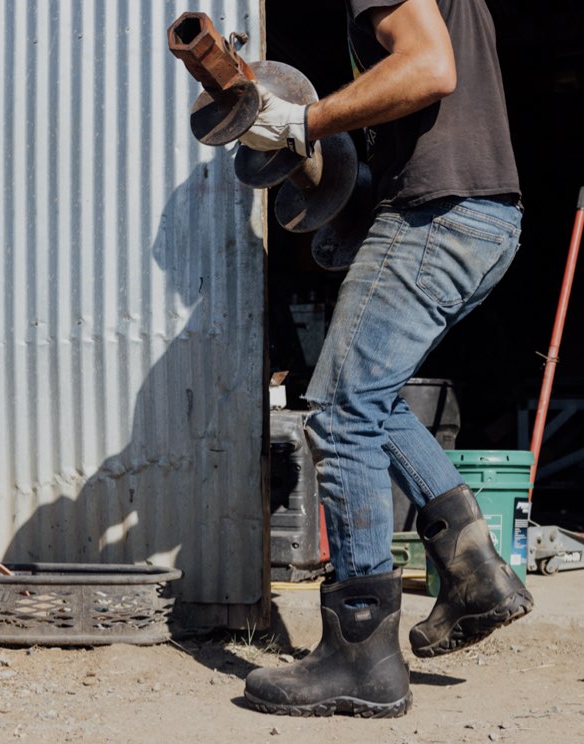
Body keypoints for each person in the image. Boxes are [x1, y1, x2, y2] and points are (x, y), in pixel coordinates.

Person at [240, 0, 533, 718]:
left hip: (438, 214)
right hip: (486, 218)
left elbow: (429, 67)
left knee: (341, 414)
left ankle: (361, 653)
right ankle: (475, 576)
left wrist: (303, 123)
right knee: (369, 397)